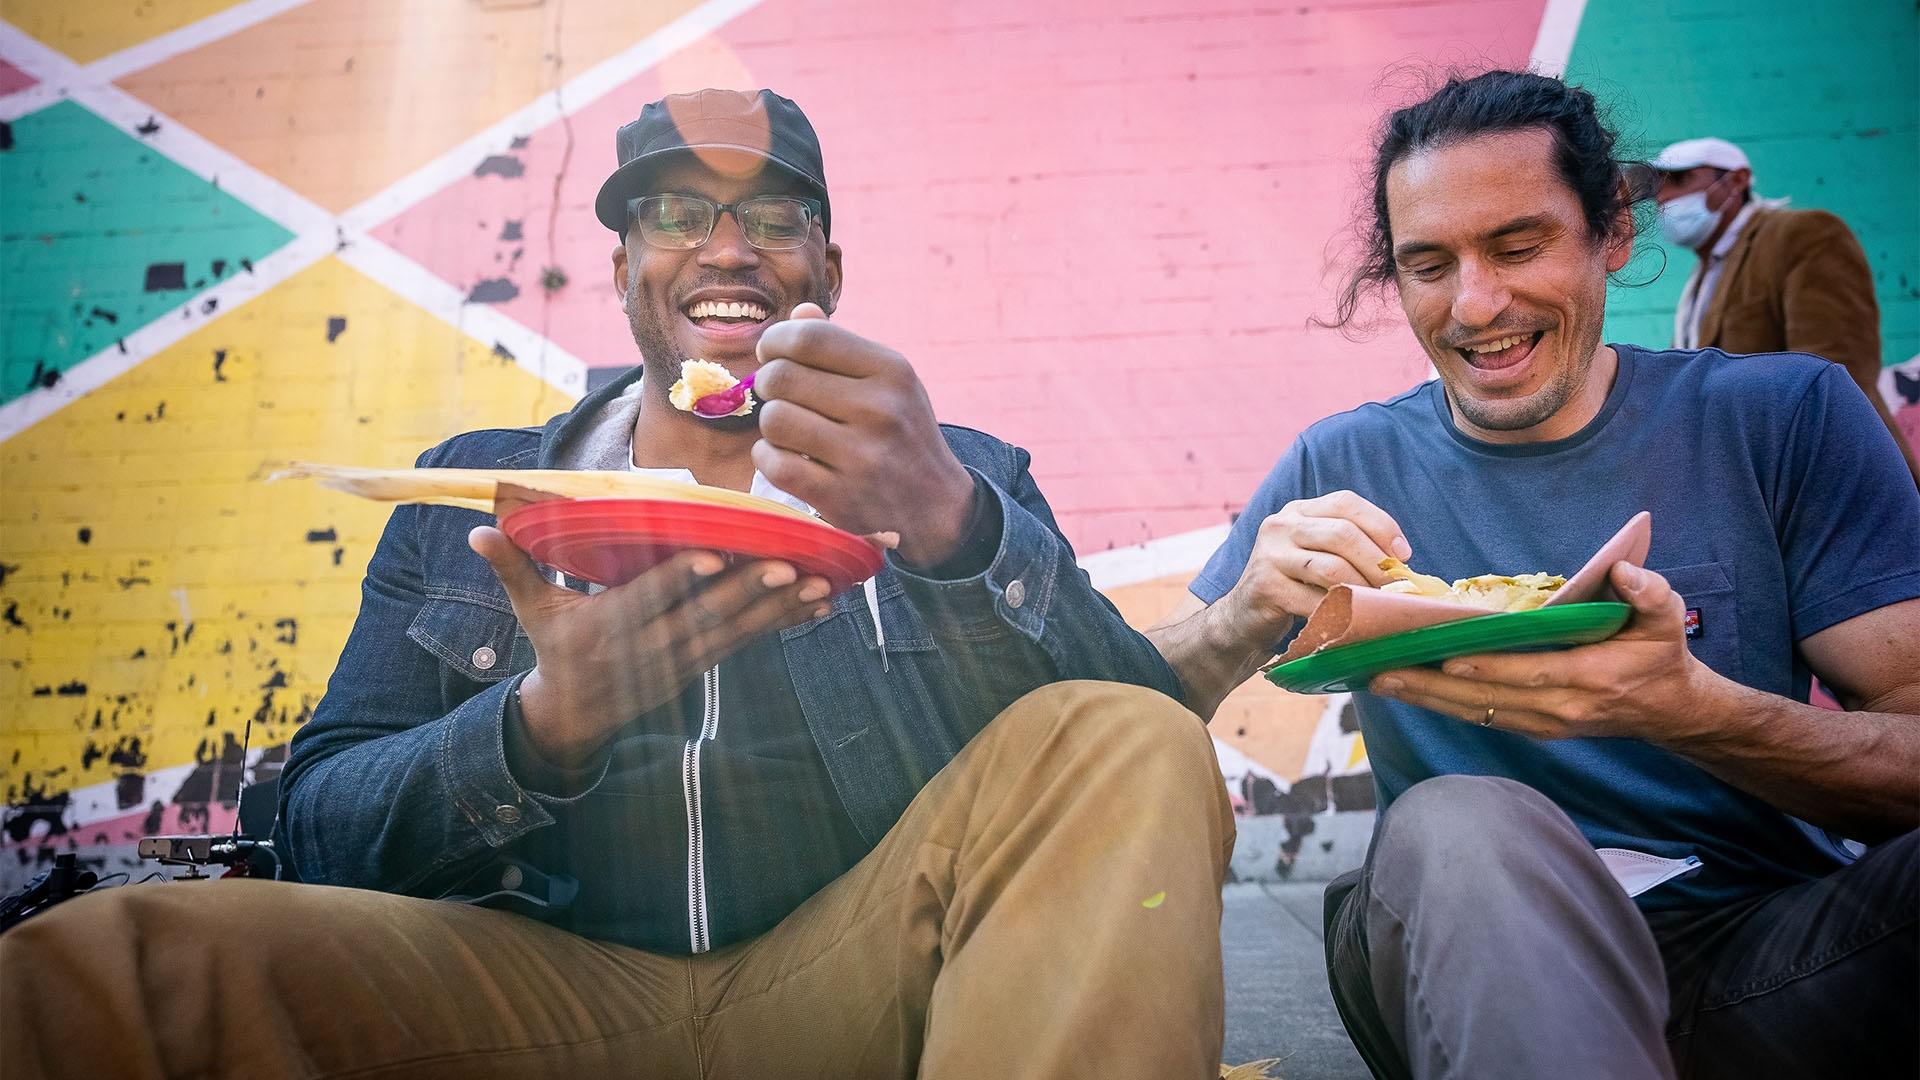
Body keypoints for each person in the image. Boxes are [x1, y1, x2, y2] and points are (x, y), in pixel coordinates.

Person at [0, 89, 1233, 1080]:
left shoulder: (957, 475)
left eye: (775, 218)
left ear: (830, 268)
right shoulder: (473, 495)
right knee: (103, 966)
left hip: (856, 981)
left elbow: (1123, 746)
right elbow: (318, 829)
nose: (729, 249)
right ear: (626, 267)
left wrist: (951, 525)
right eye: (678, 214)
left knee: (1127, 737)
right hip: (533, 994)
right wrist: (542, 725)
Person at [1149, 71, 1919, 1080]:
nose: (1477, 305)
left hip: (1774, 951)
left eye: (1518, 247)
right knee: (1461, 817)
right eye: (1429, 265)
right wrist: (1241, 614)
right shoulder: (1341, 464)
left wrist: (1692, 710)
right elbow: (1116, 707)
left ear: (1612, 236)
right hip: (1458, 945)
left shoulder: (1783, 419)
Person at [1652, 135, 1920, 486]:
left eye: (1681, 179)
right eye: (1659, 185)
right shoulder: (1705, 273)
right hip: (1761, 487)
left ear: (1737, 180)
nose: (1663, 197)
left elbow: (1835, 374)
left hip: (1834, 482)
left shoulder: (1802, 234)